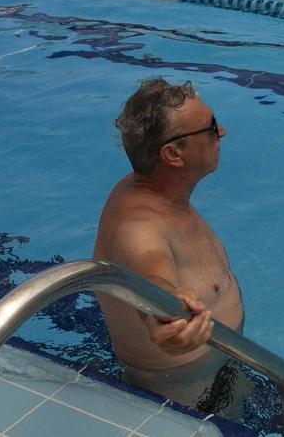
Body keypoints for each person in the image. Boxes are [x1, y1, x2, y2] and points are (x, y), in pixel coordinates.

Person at [95, 79, 250, 417]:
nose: (221, 131)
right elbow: (151, 276)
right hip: (188, 399)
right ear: (174, 153)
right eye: (210, 128)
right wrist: (164, 316)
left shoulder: (157, 192)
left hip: (218, 368)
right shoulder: (139, 226)